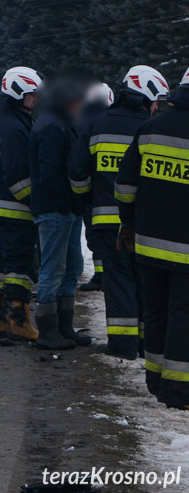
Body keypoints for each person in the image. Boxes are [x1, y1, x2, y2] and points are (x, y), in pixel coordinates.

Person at [70, 69, 157, 359]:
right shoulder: (150, 126)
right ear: (145, 99)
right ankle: (146, 344)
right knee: (144, 281)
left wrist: (89, 198)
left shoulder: (97, 124)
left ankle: (122, 346)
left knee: (118, 282)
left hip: (106, 221)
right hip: (143, 223)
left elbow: (77, 171)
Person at [115, 66, 185, 407]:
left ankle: (156, 380)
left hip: (148, 242)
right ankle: (179, 390)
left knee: (156, 312)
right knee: (183, 316)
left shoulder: (151, 127)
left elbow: (125, 186)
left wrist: (128, 224)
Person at [29, 77, 90, 350]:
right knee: (53, 269)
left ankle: (64, 326)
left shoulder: (61, 123)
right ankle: (48, 329)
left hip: (66, 209)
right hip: (55, 210)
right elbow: (50, 174)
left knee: (72, 267)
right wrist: (68, 203)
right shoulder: (51, 127)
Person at [0, 67, 42, 342]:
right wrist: (35, 203)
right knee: (19, 268)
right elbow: (16, 175)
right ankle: (19, 322)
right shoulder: (16, 128)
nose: (34, 100)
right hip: (15, 211)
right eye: (31, 95)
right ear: (18, 93)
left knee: (2, 268)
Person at [78, 83, 114, 292]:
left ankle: (100, 275)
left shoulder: (82, 122)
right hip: (112, 190)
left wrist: (83, 191)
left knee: (94, 235)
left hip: (91, 192)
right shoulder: (110, 121)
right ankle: (108, 275)